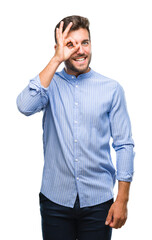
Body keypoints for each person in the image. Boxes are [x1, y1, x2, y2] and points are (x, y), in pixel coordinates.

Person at [16, 15, 135, 240]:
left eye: (85, 42)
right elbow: (24, 106)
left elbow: (124, 145)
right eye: (71, 44)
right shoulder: (49, 84)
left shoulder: (111, 89)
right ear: (59, 48)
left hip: (98, 201)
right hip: (55, 201)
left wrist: (122, 200)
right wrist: (56, 60)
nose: (80, 50)